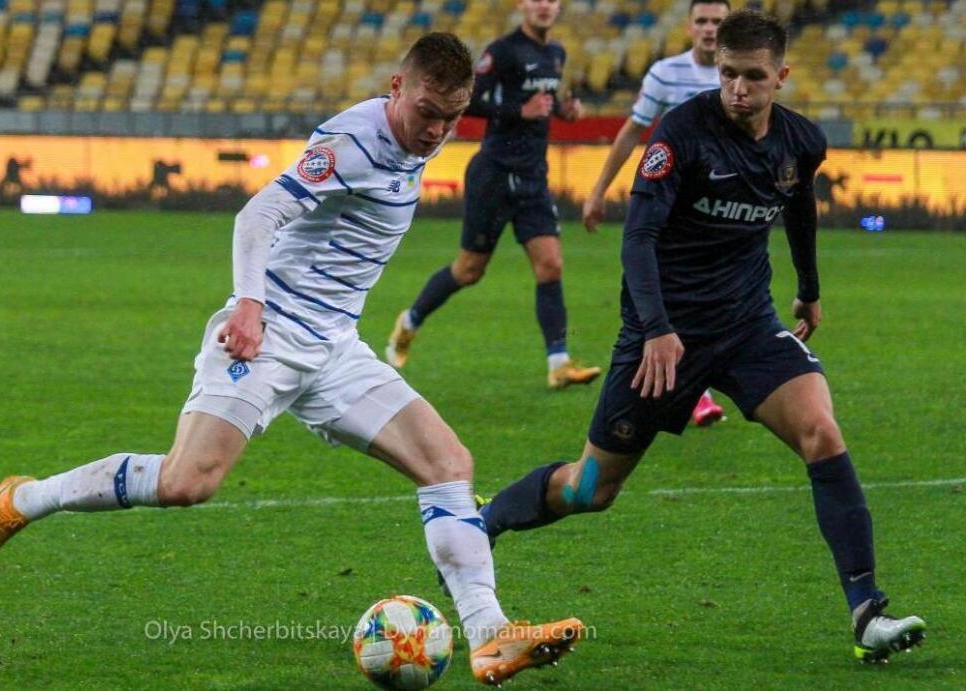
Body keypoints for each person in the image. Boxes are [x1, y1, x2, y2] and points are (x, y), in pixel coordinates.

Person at [0, 33, 583, 686]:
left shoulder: (422, 134)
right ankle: (24, 499)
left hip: (335, 347)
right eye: (427, 112)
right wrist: (250, 307)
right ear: (397, 88)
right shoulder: (352, 143)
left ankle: (488, 634)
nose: (436, 131)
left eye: (451, 118)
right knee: (187, 482)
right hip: (269, 333)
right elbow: (257, 215)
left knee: (449, 464)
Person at [476, 10, 926, 663]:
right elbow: (639, 237)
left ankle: (866, 612)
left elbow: (799, 207)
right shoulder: (681, 134)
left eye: (753, 77)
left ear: (781, 76)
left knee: (822, 433)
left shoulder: (800, 140)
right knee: (588, 490)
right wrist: (657, 329)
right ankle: (484, 521)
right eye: (728, 74)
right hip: (663, 338)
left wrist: (809, 287)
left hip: (748, 326)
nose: (739, 89)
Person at [386, 0, 602, 390]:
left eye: (551, 0)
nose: (544, 6)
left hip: (532, 176)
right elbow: (469, 102)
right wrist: (520, 111)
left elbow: (543, 105)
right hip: (494, 174)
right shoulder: (502, 51)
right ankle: (411, 320)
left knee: (550, 265)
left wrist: (563, 111)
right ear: (522, 5)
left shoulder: (556, 53)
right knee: (469, 270)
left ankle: (559, 363)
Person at [584, 0, 730, 426]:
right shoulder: (665, 73)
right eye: (702, 21)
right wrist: (598, 190)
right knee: (672, 288)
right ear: (688, 27)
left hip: (720, 207)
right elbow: (633, 130)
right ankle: (697, 392)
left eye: (718, 22)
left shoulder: (738, 78)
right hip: (671, 202)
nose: (709, 29)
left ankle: (682, 379)